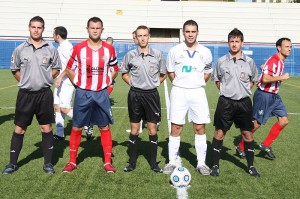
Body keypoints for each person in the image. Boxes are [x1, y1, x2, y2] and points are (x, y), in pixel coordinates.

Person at [2, 16, 61, 174]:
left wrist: (46, 78)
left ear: (43, 29)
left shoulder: (50, 49)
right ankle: (12, 163)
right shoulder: (20, 49)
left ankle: (48, 164)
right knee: (19, 129)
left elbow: (56, 68)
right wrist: (26, 81)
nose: (36, 30)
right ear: (29, 27)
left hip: (44, 95)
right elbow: (14, 70)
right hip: (25, 95)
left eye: (39, 27)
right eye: (33, 27)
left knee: (46, 128)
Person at [62, 17, 118, 173]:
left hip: (101, 93)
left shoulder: (109, 49)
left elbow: (115, 69)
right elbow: (69, 69)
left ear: (102, 30)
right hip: (83, 93)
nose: (95, 30)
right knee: (77, 126)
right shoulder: (79, 48)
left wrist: (106, 83)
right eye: (92, 27)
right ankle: (72, 162)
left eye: (98, 28)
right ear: (87, 29)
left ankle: (107, 162)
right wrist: (78, 85)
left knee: (104, 126)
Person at [163, 20, 212, 176]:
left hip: (198, 92)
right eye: (187, 31)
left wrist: (195, 84)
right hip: (179, 92)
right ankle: (171, 161)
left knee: (199, 127)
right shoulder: (175, 51)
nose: (190, 34)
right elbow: (170, 72)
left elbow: (207, 73)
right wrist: (181, 84)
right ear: (183, 33)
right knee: (176, 127)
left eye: (193, 31)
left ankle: (201, 163)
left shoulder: (205, 51)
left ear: (197, 32)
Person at [210, 28, 260, 177]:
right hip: (225, 103)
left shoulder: (250, 62)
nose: (234, 44)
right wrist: (228, 91)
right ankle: (215, 166)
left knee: (247, 134)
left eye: (237, 41)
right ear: (228, 43)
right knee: (219, 133)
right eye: (231, 41)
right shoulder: (221, 61)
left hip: (244, 103)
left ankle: (250, 166)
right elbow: (217, 81)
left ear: (242, 43)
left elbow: (253, 81)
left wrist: (241, 91)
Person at [120, 25, 167, 173]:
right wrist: (131, 82)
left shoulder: (158, 55)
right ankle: (132, 163)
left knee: (152, 129)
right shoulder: (130, 55)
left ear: (149, 36)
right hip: (135, 95)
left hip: (151, 95)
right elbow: (123, 73)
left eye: (145, 35)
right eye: (139, 35)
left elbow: (164, 73)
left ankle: (153, 163)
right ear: (136, 37)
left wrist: (156, 83)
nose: (142, 38)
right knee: (135, 129)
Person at [236, 37, 292, 159]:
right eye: (287, 46)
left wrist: (264, 68)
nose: (289, 49)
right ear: (279, 47)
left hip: (274, 96)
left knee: (284, 120)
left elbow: (266, 71)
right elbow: (266, 79)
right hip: (264, 95)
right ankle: (240, 146)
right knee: (256, 125)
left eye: (290, 46)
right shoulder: (274, 60)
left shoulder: (280, 61)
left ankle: (265, 145)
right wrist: (281, 77)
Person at [83, 36, 118, 140]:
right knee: (92, 106)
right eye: (107, 43)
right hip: (93, 83)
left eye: (110, 44)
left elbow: (114, 69)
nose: (108, 45)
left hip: (105, 82)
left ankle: (90, 125)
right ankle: (89, 126)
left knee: (97, 108)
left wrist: (108, 79)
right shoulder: (98, 49)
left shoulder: (111, 51)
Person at [53, 26, 74, 140]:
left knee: (65, 108)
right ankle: (59, 134)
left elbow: (70, 65)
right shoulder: (61, 46)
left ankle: (86, 123)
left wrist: (60, 77)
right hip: (60, 81)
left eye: (53, 33)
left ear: (57, 35)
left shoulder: (67, 46)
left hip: (67, 82)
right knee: (57, 106)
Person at [125, 30, 143, 134]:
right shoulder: (131, 53)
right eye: (134, 37)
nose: (134, 39)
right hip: (136, 88)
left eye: (135, 37)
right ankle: (139, 127)